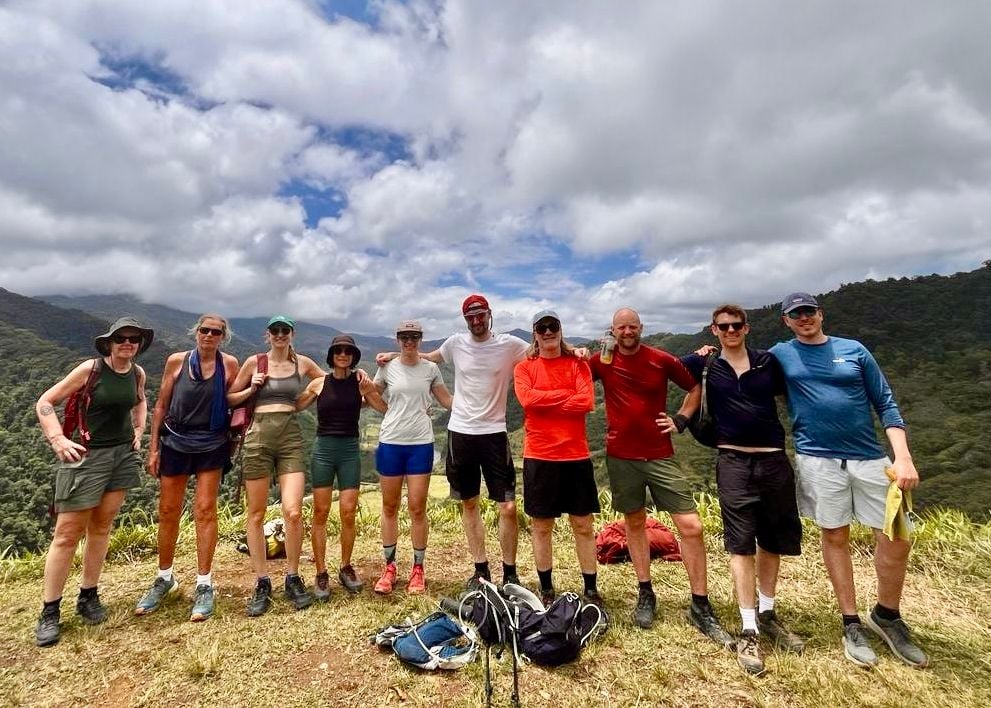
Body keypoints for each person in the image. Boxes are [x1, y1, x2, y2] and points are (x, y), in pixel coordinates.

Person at [770, 292, 927, 668]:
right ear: (786, 321)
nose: (804, 317)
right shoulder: (780, 354)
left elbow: (885, 401)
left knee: (895, 535)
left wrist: (902, 457)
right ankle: (850, 621)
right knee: (835, 536)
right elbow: (744, 366)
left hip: (871, 457)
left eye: (809, 311)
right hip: (817, 459)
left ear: (821, 314)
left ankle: (887, 614)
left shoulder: (854, 350)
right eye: (796, 314)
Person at [588, 307, 732, 647]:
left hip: (660, 453)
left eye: (632, 326)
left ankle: (700, 603)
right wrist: (577, 351)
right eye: (621, 327)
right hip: (621, 455)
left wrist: (680, 420)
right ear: (612, 330)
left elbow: (694, 387)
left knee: (691, 526)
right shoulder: (602, 361)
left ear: (641, 328)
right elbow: (571, 372)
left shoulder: (661, 359)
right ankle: (645, 592)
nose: (627, 332)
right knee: (634, 522)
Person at [682, 305, 804, 675]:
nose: (731, 330)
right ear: (714, 330)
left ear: (747, 328)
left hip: (773, 460)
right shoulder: (706, 365)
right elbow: (663, 366)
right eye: (724, 326)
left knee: (771, 541)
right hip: (733, 461)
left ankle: (768, 613)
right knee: (740, 543)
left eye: (736, 325)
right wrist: (698, 354)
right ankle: (748, 626)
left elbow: (797, 390)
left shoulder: (768, 362)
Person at [376, 294, 529, 590]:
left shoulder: (510, 345)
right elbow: (427, 358)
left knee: (507, 507)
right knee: (469, 503)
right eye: (470, 317)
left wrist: (572, 350)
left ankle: (510, 572)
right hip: (460, 432)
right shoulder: (456, 343)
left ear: (489, 314)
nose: (476, 321)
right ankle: (480, 569)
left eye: (480, 315)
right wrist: (393, 357)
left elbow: (540, 350)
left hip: (495, 431)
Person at [33, 316, 152, 647]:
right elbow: (45, 401)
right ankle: (50, 611)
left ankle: (88, 595)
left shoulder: (138, 373)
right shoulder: (90, 370)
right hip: (86, 458)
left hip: (121, 458)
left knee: (101, 527)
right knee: (67, 534)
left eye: (133, 339)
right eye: (121, 339)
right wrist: (57, 438)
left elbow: (141, 400)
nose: (127, 343)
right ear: (109, 343)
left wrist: (140, 430)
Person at [136, 315, 240, 622]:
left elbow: (235, 403)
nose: (209, 335)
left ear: (223, 336)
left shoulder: (230, 365)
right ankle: (164, 577)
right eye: (204, 330)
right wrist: (153, 447)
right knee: (168, 510)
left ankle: (204, 584)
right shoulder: (177, 362)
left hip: (211, 442)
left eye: (216, 332)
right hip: (176, 440)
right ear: (196, 333)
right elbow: (161, 405)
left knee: (205, 510)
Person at [227, 315, 324, 616]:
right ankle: (262, 581)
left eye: (285, 330)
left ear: (292, 334)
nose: (280, 335)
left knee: (293, 511)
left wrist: (305, 398)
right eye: (275, 331)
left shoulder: (302, 363)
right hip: (257, 437)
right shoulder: (254, 363)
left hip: (290, 436)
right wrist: (251, 388)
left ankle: (293, 576)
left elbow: (325, 380)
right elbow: (230, 398)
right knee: (255, 513)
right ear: (267, 335)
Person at [514, 310, 601, 607]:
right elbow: (527, 401)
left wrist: (547, 400)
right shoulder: (524, 368)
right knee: (541, 526)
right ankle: (546, 589)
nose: (548, 332)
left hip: (575, 454)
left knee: (583, 524)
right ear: (535, 334)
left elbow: (586, 401)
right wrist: (566, 395)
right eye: (542, 328)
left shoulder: (578, 363)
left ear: (561, 330)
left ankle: (590, 589)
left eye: (553, 326)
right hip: (539, 455)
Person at [296, 334, 386, 598]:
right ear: (332, 355)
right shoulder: (318, 383)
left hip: (349, 451)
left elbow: (383, 407)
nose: (343, 354)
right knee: (321, 512)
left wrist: (413, 409)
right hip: (323, 450)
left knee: (348, 512)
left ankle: (345, 567)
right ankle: (321, 572)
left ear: (353, 356)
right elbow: (296, 405)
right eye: (339, 351)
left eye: (348, 351)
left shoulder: (361, 384)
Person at [371, 320, 453, 595]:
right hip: (391, 442)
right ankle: (390, 566)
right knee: (390, 506)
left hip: (420, 443)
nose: (409, 341)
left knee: (417, 507)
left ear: (420, 339)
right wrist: (388, 411)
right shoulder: (386, 367)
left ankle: (418, 569)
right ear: (397, 339)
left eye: (414, 337)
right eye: (404, 337)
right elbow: (372, 394)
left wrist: (480, 396)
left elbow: (447, 400)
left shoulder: (431, 369)